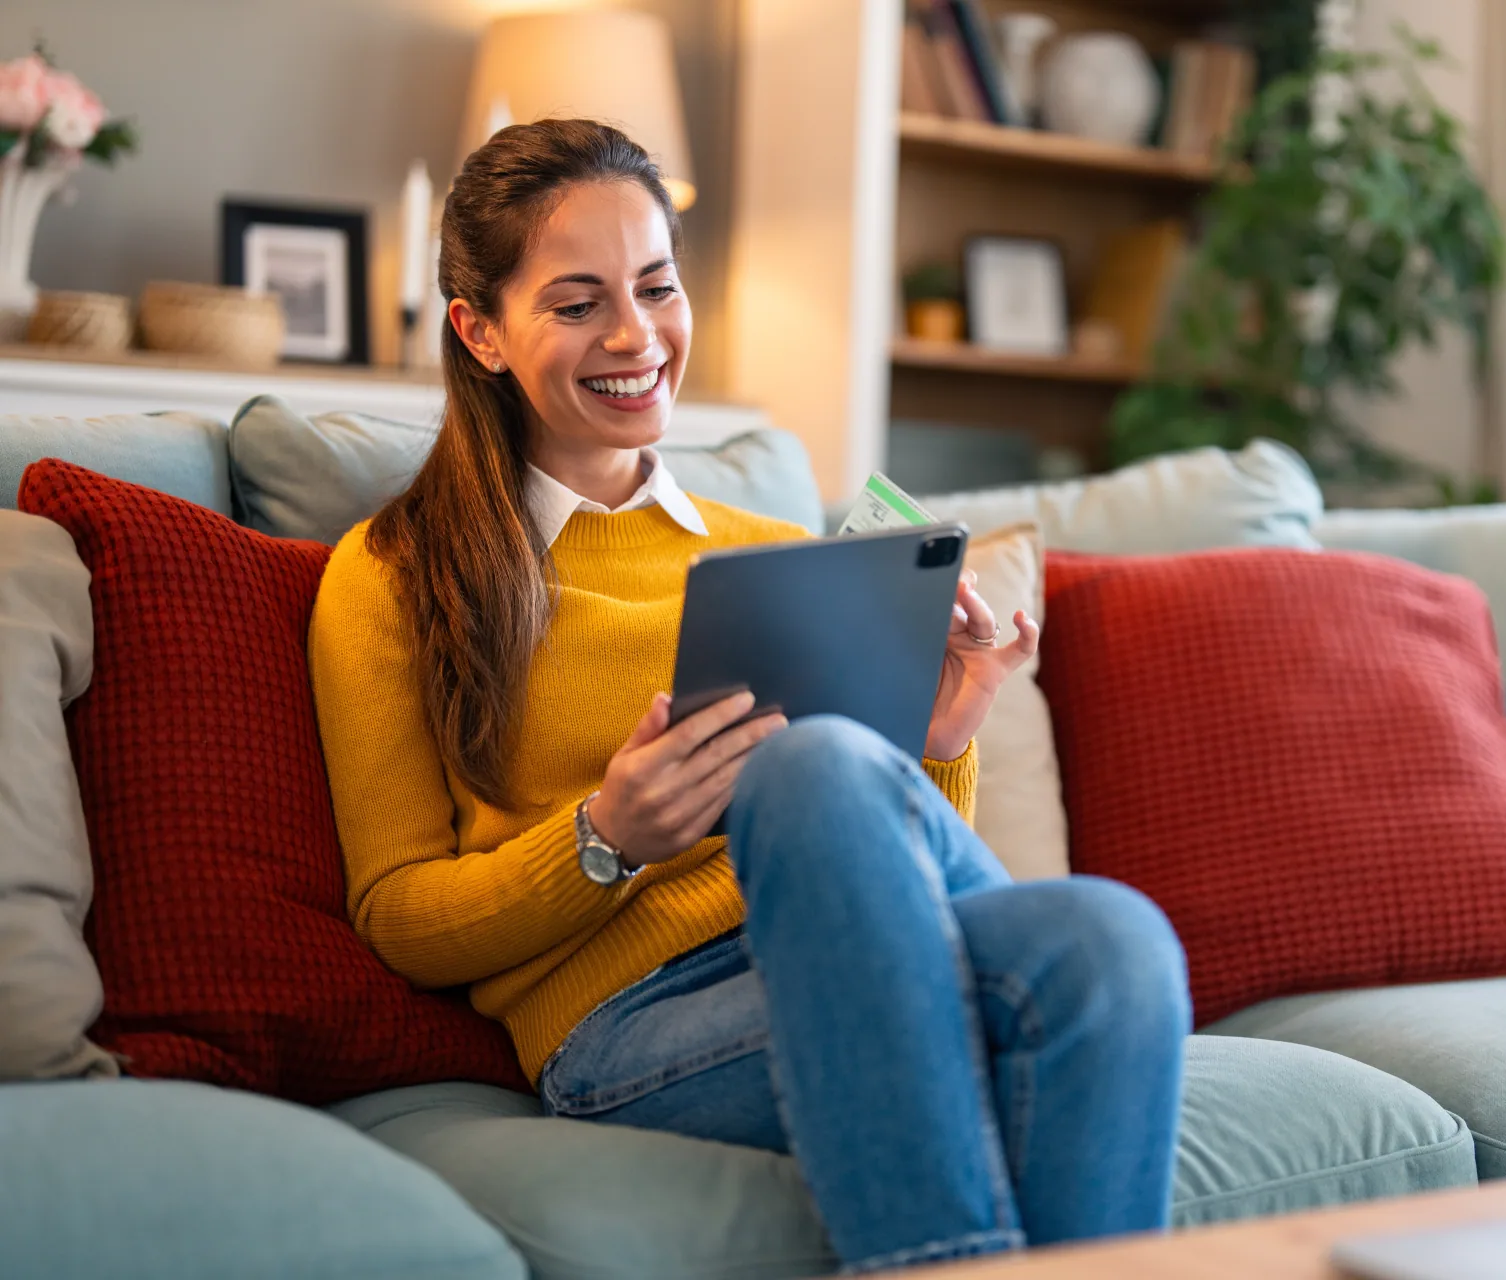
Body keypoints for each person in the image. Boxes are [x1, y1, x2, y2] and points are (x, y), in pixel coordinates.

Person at [308, 119, 1190, 1272]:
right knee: (814, 763)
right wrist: (603, 840)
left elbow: (907, 880)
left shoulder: (776, 550)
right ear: (479, 332)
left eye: (657, 287)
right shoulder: (394, 574)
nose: (636, 336)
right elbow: (400, 915)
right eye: (576, 304)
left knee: (1114, 935)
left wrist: (939, 740)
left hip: (856, 937)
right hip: (630, 1021)